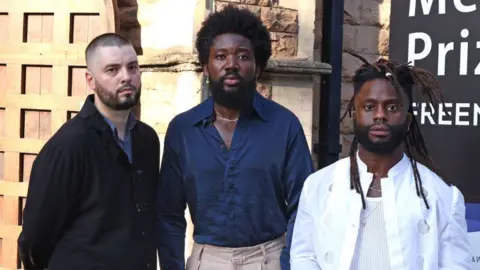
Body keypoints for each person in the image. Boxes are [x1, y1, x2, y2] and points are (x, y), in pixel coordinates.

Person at [156, 5, 314, 270]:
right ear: (206, 66)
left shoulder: (284, 125)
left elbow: (304, 207)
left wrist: (288, 264)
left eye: (242, 56)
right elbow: (169, 215)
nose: (231, 65)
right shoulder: (183, 130)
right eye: (220, 56)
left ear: (258, 66)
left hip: (269, 258)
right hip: (207, 260)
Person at [290, 52, 471, 269]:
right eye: (369, 107)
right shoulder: (317, 186)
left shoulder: (442, 197)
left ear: (408, 120)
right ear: (354, 115)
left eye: (392, 107)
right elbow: (304, 257)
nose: (380, 115)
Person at [18, 33, 160, 270]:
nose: (126, 77)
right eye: (112, 70)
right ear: (90, 80)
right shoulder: (68, 146)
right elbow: (35, 238)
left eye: (132, 67)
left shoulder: (147, 140)